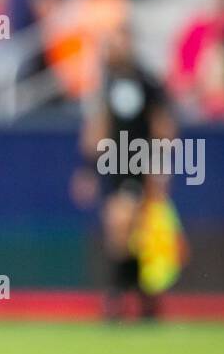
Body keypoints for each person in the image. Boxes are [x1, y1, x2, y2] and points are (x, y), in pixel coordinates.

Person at [71, 24, 179, 320]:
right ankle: (132, 297)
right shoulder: (105, 82)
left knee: (130, 227)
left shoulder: (146, 81)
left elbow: (162, 126)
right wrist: (88, 169)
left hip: (137, 164)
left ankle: (126, 298)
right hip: (111, 166)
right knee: (117, 229)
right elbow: (97, 128)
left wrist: (159, 166)